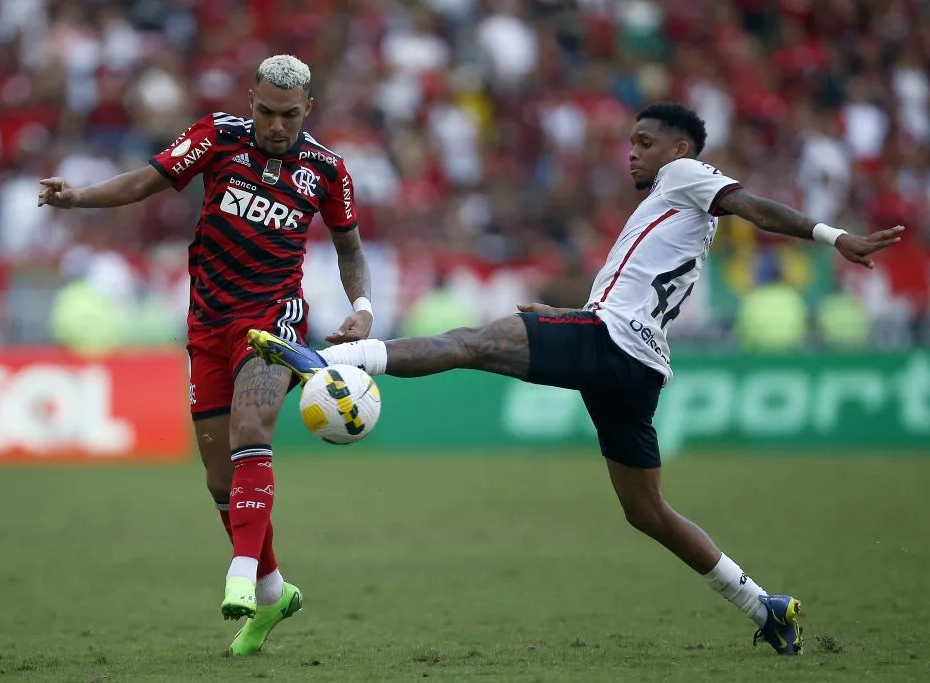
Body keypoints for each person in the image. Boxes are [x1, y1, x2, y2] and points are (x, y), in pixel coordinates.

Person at [248, 103, 905, 656]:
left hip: (612, 343)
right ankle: (766, 605)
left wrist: (831, 234)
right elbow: (641, 293)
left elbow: (755, 207)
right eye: (632, 144)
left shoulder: (686, 174)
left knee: (473, 343)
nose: (634, 154)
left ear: (678, 148)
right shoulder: (671, 212)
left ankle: (335, 361)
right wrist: (566, 316)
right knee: (645, 510)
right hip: (635, 361)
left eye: (645, 143)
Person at [37, 55, 375, 656]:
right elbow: (146, 179)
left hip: (275, 320)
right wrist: (78, 199)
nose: (276, 126)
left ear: (308, 111)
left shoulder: (327, 170)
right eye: (267, 112)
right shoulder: (216, 137)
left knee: (252, 429)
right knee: (220, 476)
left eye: (289, 115)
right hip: (207, 326)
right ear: (252, 101)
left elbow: (349, 247)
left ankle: (241, 575)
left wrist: (363, 306)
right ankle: (274, 590)